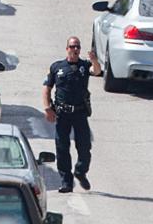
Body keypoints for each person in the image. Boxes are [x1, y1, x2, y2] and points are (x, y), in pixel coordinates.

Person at [42, 35, 102, 193]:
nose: (75, 50)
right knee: (62, 148)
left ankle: (80, 172)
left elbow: (96, 71)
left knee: (84, 147)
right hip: (62, 114)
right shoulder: (57, 67)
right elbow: (47, 88)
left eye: (78, 47)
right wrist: (47, 108)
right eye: (72, 47)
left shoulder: (84, 65)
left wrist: (94, 60)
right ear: (67, 49)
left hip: (80, 113)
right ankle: (66, 181)